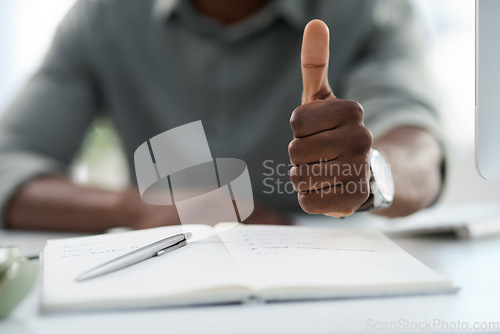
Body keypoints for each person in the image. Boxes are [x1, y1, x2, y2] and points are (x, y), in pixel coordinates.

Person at [0, 0, 444, 232]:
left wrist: (370, 176)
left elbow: (419, 148)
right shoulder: (104, 16)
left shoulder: (367, 9)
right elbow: (8, 162)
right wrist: (136, 207)